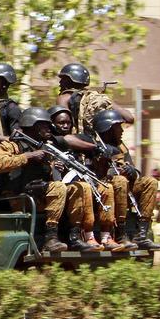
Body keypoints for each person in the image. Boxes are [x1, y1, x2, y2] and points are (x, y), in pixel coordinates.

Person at [0, 107, 103, 253]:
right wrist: (29, 156)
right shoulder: (12, 145)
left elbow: (48, 176)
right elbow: (0, 164)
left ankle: (75, 237)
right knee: (57, 187)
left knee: (79, 187)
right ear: (32, 124)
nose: (49, 128)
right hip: (20, 196)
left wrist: (54, 167)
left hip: (41, 193)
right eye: (44, 125)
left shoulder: (45, 147)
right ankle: (50, 239)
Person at [48, 106, 124, 251]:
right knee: (84, 187)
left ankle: (106, 236)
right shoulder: (52, 142)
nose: (65, 126)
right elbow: (66, 139)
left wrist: (101, 156)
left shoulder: (81, 139)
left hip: (84, 183)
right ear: (52, 124)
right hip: (63, 187)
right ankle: (87, 236)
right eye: (61, 123)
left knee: (106, 187)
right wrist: (94, 148)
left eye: (68, 123)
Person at [91, 110, 160, 251]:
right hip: (104, 192)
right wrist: (110, 172)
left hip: (126, 190)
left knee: (150, 182)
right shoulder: (94, 146)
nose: (122, 130)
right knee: (120, 181)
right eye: (118, 127)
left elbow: (133, 170)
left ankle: (141, 235)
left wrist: (133, 172)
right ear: (108, 128)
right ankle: (120, 234)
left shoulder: (121, 146)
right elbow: (92, 174)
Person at [56, 63, 134, 134]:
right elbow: (129, 118)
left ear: (70, 80)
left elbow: (63, 126)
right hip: (103, 144)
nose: (60, 83)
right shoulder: (99, 97)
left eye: (63, 79)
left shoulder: (64, 98)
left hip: (79, 143)